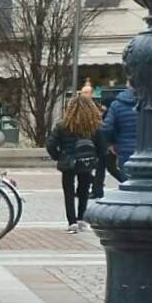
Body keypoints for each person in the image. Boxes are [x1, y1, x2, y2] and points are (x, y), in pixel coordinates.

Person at [46, 96, 107, 234]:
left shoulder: (63, 125)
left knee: (69, 192)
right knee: (84, 191)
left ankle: (71, 221)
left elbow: (50, 144)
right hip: (87, 161)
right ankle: (82, 219)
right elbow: (102, 148)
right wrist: (95, 158)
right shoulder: (94, 126)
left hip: (68, 162)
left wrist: (58, 157)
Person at [101, 84, 137, 182]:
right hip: (146, 150)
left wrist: (111, 143)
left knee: (128, 180)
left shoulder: (117, 104)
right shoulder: (149, 102)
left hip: (124, 148)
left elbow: (106, 127)